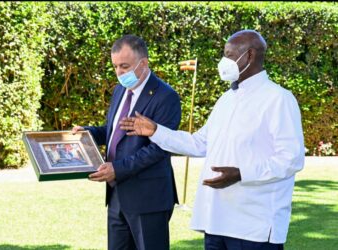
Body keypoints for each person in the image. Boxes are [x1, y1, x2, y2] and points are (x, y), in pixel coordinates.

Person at [120, 30, 305, 250]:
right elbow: (199, 143)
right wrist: (156, 131)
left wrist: (241, 173)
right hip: (216, 221)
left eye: (229, 54)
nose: (223, 61)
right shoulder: (226, 100)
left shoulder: (279, 99)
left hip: (254, 226)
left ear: (249, 56)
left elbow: (291, 159)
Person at [72, 34, 181, 250]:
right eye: (115, 66)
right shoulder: (120, 89)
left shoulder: (166, 96)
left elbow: (159, 148)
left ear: (144, 63)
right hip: (117, 195)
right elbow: (114, 131)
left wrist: (117, 169)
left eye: (124, 66)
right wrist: (88, 133)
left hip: (148, 198)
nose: (119, 73)